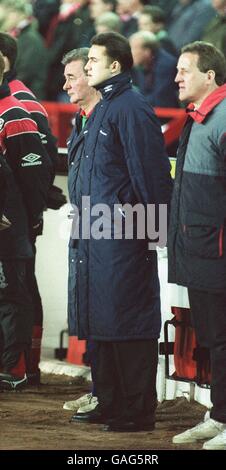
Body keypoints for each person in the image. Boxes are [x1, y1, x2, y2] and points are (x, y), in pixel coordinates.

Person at [70, 31, 172, 432]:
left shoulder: (130, 108)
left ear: (115, 66)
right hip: (95, 234)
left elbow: (151, 175)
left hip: (123, 238)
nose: (87, 66)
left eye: (93, 60)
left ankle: (136, 410)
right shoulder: (102, 110)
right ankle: (111, 402)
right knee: (103, 320)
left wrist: (155, 236)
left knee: (127, 320)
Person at [167, 41, 226, 450]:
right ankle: (220, 415)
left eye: (185, 70)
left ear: (210, 75)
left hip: (217, 254)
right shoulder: (200, 117)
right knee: (214, 339)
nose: (176, 78)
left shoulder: (222, 117)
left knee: (223, 339)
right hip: (202, 253)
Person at [0, 32, 66, 385]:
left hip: (16, 220)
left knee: (18, 288)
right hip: (15, 217)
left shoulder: (21, 102)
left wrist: (28, 216)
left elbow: (38, 166)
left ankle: (24, 366)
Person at [61, 47, 101, 414]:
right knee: (89, 311)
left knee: (107, 314)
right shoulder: (82, 119)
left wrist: (152, 235)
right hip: (86, 225)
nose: (66, 84)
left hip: (112, 232)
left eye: (74, 76)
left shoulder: (117, 115)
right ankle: (99, 389)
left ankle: (109, 394)